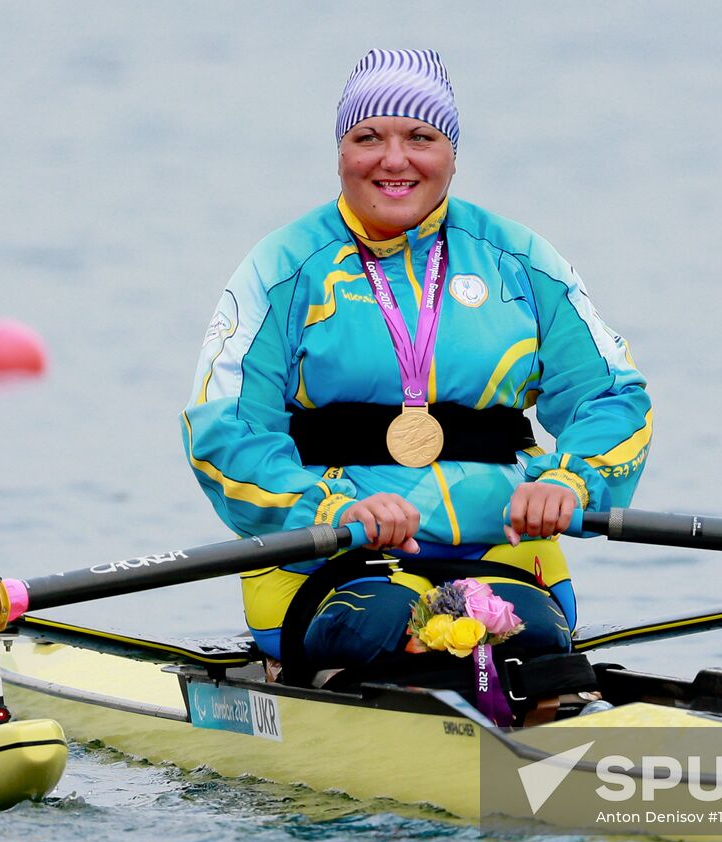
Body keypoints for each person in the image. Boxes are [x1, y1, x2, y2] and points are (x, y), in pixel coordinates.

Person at [183, 49, 651, 684]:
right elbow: (224, 432)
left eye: (421, 138)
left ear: (452, 153)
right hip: (334, 564)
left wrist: (570, 483)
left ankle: (545, 713)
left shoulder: (520, 259)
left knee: (533, 640)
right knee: (393, 625)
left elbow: (613, 397)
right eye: (367, 137)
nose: (394, 160)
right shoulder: (282, 269)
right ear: (341, 152)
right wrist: (327, 510)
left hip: (503, 555)